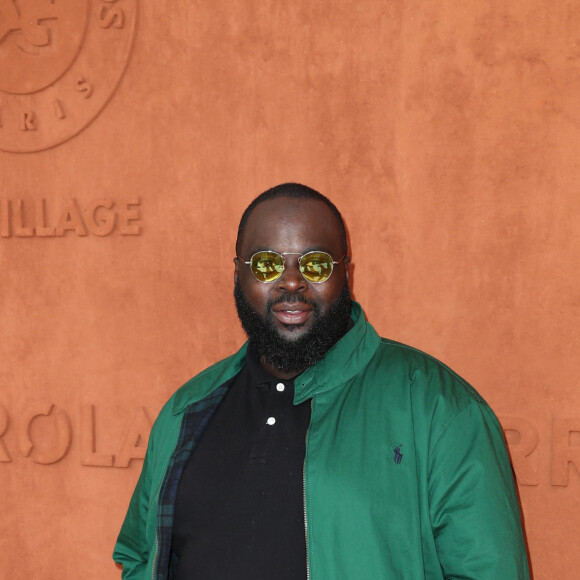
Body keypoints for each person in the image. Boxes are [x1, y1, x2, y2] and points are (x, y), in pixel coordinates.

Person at [113, 183, 530, 579]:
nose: (291, 282)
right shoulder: (187, 410)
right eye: (267, 263)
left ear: (345, 273)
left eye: (314, 263)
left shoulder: (441, 409)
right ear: (238, 273)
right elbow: (140, 556)